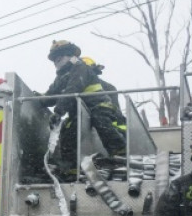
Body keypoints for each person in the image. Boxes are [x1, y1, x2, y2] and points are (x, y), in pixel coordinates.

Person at [39, 40, 127, 179]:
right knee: (68, 131)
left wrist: (58, 112)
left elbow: (73, 89)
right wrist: (38, 99)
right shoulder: (61, 77)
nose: (56, 61)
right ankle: (72, 168)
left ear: (69, 54)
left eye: (59, 56)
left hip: (99, 105)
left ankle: (120, 152)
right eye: (54, 59)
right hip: (80, 111)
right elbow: (51, 96)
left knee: (101, 120)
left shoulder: (80, 68)